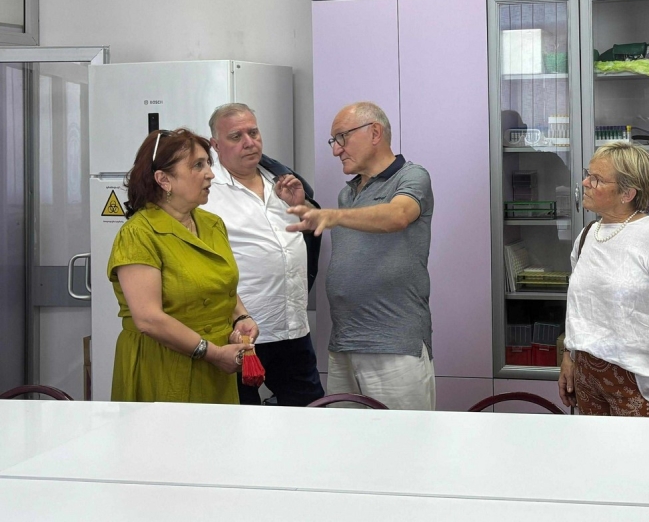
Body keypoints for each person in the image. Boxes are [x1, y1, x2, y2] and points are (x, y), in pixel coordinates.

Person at [287, 102, 435, 410]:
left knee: (402, 438)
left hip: (394, 345)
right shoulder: (348, 194)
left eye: (341, 137)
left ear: (375, 133)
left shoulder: (412, 176)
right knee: (344, 438)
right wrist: (308, 207)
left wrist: (334, 216)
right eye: (333, 141)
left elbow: (397, 216)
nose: (336, 150)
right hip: (344, 343)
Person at [107, 128, 256, 403]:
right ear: (164, 180)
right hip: (162, 365)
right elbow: (148, 319)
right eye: (198, 165)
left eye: (208, 163)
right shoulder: (139, 234)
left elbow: (217, 283)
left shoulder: (212, 224)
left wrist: (241, 318)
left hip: (216, 365)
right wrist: (212, 353)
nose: (210, 174)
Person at [558, 142, 649, 418]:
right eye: (588, 174)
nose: (585, 183)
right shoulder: (587, 236)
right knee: (593, 446)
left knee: (640, 448)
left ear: (627, 193)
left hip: (637, 380)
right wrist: (568, 355)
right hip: (587, 374)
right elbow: (578, 307)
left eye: (597, 179)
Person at [203, 103, 325, 407]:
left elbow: (313, 228)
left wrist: (301, 206)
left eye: (253, 133)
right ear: (215, 145)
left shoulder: (280, 179)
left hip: (292, 326)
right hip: (241, 333)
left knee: (309, 413)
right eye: (236, 136)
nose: (249, 142)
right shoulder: (207, 191)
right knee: (242, 419)